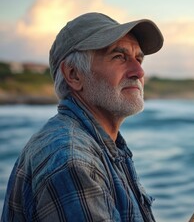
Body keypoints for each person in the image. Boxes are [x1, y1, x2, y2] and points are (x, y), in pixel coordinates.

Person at [1, 12, 164, 222]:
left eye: (138, 59)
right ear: (74, 75)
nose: (139, 72)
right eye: (119, 57)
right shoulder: (72, 160)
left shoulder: (98, 145)